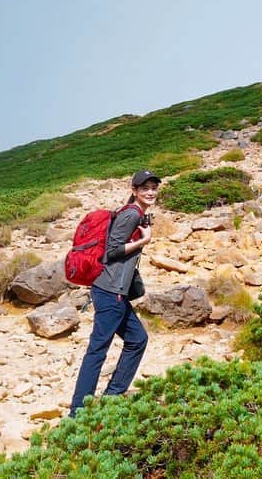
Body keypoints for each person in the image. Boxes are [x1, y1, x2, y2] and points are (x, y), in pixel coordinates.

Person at [69, 169, 158, 417]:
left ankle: (112, 398)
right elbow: (111, 251)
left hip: (112, 291)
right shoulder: (131, 214)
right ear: (134, 191)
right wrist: (143, 241)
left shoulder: (136, 213)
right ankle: (78, 412)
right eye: (144, 189)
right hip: (110, 292)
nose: (150, 192)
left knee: (137, 339)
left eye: (153, 188)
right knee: (98, 349)